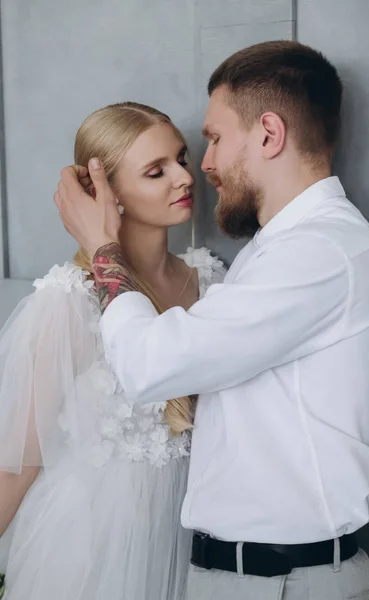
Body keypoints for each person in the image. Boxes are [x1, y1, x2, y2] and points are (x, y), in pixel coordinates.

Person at [55, 40, 369, 600]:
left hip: (287, 584)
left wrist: (100, 246)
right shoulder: (275, 251)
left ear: (269, 134)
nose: (204, 165)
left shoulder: (319, 253)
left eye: (213, 140)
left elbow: (152, 364)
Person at [0, 101, 225, 600]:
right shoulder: (70, 302)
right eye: (155, 171)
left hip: (191, 540)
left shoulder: (209, 281)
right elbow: (19, 462)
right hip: (93, 549)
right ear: (108, 195)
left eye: (182, 158)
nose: (185, 178)